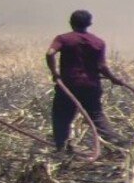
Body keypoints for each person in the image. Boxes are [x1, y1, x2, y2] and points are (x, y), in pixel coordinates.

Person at [46, 10, 126, 151]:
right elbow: (102, 67)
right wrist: (113, 79)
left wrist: (55, 73)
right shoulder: (98, 42)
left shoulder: (63, 39)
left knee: (61, 116)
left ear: (70, 22)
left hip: (68, 85)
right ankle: (120, 144)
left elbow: (50, 53)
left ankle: (61, 147)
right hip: (91, 86)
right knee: (96, 116)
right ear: (89, 24)